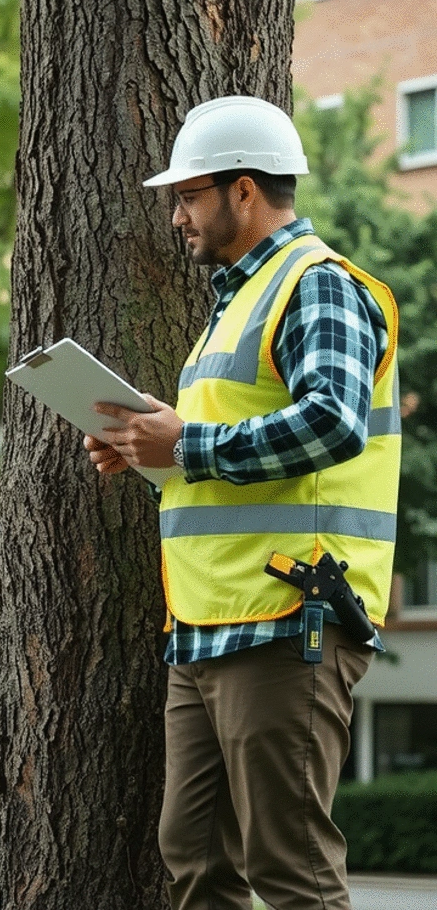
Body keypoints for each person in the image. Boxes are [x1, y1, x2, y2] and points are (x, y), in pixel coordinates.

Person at [83, 96, 400, 910]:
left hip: (286, 617)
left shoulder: (317, 286)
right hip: (206, 624)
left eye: (190, 196)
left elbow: (333, 423)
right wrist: (150, 443)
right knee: (195, 860)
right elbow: (228, 441)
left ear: (245, 190)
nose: (177, 216)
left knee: (290, 869)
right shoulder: (237, 302)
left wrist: (186, 446)